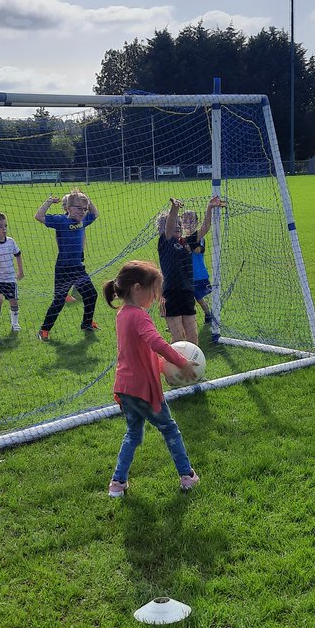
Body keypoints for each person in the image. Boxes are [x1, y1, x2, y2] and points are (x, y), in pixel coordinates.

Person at [104, 260, 200, 497]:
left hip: (125, 387)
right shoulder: (139, 316)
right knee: (169, 428)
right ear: (137, 288)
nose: (157, 296)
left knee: (133, 434)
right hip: (143, 389)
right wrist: (182, 363)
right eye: (154, 291)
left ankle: (117, 484)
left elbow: (137, 352)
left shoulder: (122, 314)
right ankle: (187, 476)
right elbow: (157, 343)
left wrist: (163, 368)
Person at [35, 188, 99, 339]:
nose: (82, 212)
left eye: (84, 209)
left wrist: (87, 199)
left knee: (91, 294)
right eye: (78, 208)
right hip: (63, 268)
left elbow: (95, 214)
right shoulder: (60, 220)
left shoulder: (83, 220)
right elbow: (38, 216)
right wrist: (49, 202)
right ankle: (44, 330)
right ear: (68, 208)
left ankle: (86, 323)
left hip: (78, 268)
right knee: (59, 300)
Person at [157, 196, 219, 344]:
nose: (177, 225)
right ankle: (173, 366)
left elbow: (204, 228)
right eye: (174, 223)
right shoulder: (165, 242)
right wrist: (174, 209)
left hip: (187, 293)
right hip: (171, 295)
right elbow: (169, 228)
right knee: (178, 339)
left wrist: (209, 209)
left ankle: (191, 367)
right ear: (162, 228)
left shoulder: (185, 242)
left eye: (180, 223)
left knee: (193, 339)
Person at [0, 212, 23, 335]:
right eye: (0, 226)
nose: (4, 229)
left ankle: (15, 323)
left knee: (13, 301)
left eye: (5, 226)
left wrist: (20, 271)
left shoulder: (11, 242)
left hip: (10, 278)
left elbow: (18, 255)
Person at [182, 208, 214, 326]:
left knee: (199, 298)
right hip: (186, 276)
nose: (188, 224)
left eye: (191, 221)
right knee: (185, 298)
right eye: (185, 221)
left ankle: (208, 313)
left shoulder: (199, 237)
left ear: (196, 223)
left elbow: (197, 250)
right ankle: (180, 321)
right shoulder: (181, 239)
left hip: (198, 274)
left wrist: (187, 246)